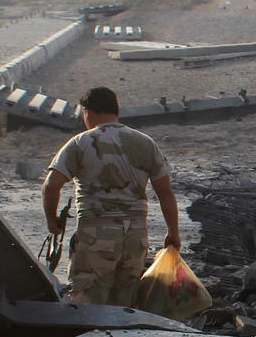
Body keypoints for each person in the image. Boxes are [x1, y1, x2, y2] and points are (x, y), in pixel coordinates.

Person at [42, 87, 180, 306]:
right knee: (124, 303)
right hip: (135, 236)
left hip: (96, 233)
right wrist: (173, 232)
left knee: (85, 301)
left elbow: (51, 186)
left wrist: (52, 220)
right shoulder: (145, 142)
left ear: (87, 112)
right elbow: (165, 192)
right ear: (116, 110)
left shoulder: (81, 142)